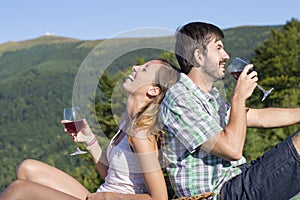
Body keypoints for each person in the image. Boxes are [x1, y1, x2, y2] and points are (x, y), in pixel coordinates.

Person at [0, 59, 179, 200]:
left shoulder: (141, 134)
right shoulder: (128, 124)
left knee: (19, 189)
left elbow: (159, 197)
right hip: (102, 193)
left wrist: (110, 197)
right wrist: (90, 140)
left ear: (153, 91)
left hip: (109, 198)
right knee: (27, 168)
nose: (135, 67)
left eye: (144, 69)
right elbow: (112, 176)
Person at [159, 21, 300, 200]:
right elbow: (232, 149)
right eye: (218, 48)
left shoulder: (211, 97)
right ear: (198, 56)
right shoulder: (180, 98)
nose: (226, 55)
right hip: (219, 195)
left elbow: (259, 117)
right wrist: (239, 96)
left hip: (238, 181)